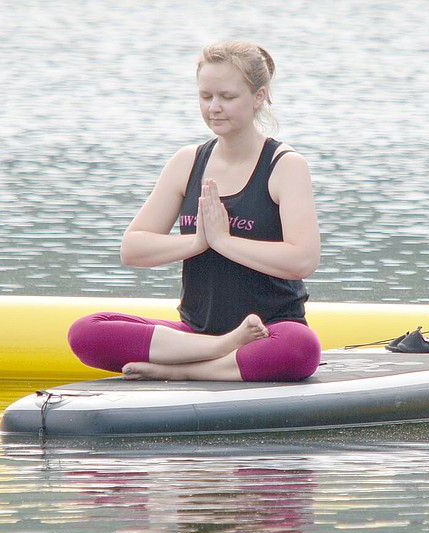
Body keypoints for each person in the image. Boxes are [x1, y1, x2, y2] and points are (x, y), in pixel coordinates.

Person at [67, 40, 322, 383]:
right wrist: (197, 242)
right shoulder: (187, 162)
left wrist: (224, 241)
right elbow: (133, 248)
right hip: (197, 333)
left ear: (259, 96)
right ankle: (220, 350)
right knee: (86, 332)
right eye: (206, 97)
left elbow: (303, 260)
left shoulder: (285, 165)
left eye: (227, 97)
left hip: (268, 332)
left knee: (300, 348)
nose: (214, 107)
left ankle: (179, 369)